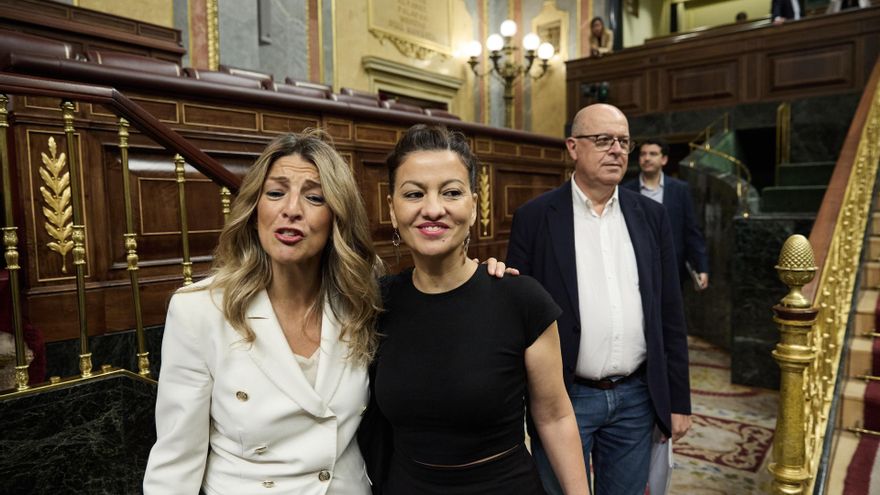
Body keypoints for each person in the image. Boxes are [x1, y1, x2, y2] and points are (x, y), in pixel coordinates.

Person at [143, 131, 383, 494]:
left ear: (337, 216)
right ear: (255, 209)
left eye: (314, 197)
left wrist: (489, 275)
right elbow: (176, 460)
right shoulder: (200, 310)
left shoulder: (361, 299)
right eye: (275, 192)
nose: (291, 209)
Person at [369, 125, 588, 495]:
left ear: (473, 206)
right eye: (414, 194)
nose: (433, 209)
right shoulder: (375, 303)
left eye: (451, 193)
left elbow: (555, 416)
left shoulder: (521, 299)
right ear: (392, 210)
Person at [507, 104, 692, 495]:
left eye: (623, 141)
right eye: (603, 140)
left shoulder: (651, 217)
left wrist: (679, 400)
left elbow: (669, 312)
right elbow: (516, 317)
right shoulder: (536, 217)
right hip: (564, 398)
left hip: (637, 397)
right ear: (573, 147)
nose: (617, 150)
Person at [622, 138, 709, 290]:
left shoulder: (680, 189)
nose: (647, 158)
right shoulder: (626, 191)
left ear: (664, 159)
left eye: (653, 154)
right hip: (635, 267)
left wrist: (702, 267)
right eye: (643, 154)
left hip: (672, 267)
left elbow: (691, 230)